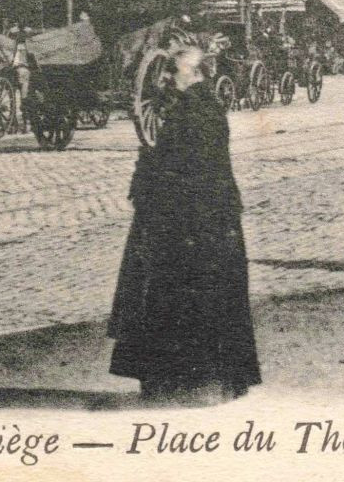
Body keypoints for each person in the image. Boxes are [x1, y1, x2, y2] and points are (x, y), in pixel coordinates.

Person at [108, 45, 261, 404]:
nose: (164, 77)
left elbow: (187, 166)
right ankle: (187, 382)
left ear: (196, 74)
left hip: (193, 220)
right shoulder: (191, 107)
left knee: (184, 296)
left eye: (172, 71)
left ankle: (188, 385)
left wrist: (152, 170)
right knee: (185, 297)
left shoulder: (199, 111)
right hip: (193, 217)